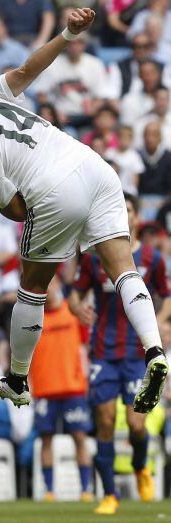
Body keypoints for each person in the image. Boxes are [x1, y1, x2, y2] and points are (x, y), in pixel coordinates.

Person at [0, 8, 168, 415]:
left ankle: (18, 378)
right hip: (93, 167)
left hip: (55, 189)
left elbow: (21, 210)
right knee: (124, 269)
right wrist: (69, 34)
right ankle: (156, 351)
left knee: (33, 285)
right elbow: (25, 72)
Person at [69, 193, 171, 515]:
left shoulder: (152, 258)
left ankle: (141, 466)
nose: (123, 215)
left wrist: (160, 321)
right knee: (105, 421)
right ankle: (110, 494)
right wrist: (78, 309)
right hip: (102, 351)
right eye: (118, 210)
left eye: (128, 210)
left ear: (137, 217)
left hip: (136, 352)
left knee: (137, 425)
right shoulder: (94, 257)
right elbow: (75, 293)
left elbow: (167, 296)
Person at [28, 275, 92, 502]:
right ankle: (49, 491)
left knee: (79, 437)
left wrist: (87, 381)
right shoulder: (32, 318)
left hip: (73, 387)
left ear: (57, 285)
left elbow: (85, 350)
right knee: (46, 439)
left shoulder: (73, 313)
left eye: (50, 283)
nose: (47, 289)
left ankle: (85, 490)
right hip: (44, 389)